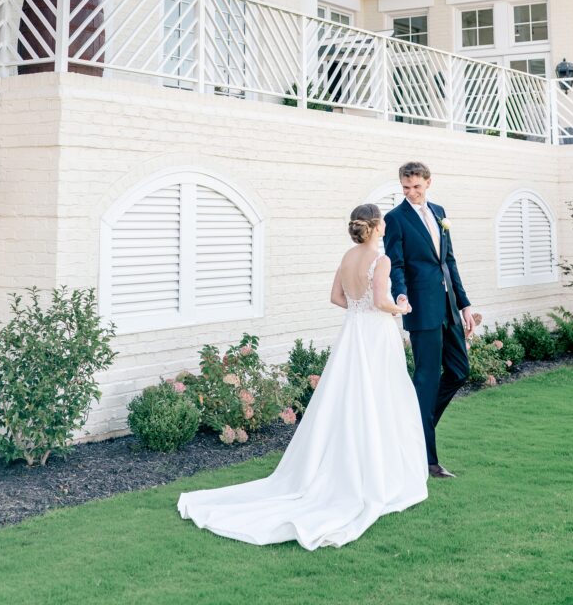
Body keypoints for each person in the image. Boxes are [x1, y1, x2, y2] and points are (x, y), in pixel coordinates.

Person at [177, 203, 429, 550]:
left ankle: (347, 461)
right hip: (375, 334)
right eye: (382, 220)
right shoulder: (380, 260)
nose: (386, 224)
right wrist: (400, 307)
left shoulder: (347, 256)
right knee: (381, 394)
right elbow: (382, 300)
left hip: (352, 331)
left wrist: (360, 309)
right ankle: (378, 470)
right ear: (373, 226)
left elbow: (336, 297)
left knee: (348, 395)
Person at [384, 161, 475, 479]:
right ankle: (427, 461)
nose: (411, 192)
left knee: (459, 371)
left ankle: (414, 429)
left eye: (416, 187)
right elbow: (395, 263)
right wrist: (400, 294)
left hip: (449, 305)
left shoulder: (439, 211)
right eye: (406, 188)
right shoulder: (395, 219)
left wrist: (464, 304)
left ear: (428, 183)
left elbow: (448, 260)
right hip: (421, 308)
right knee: (426, 379)